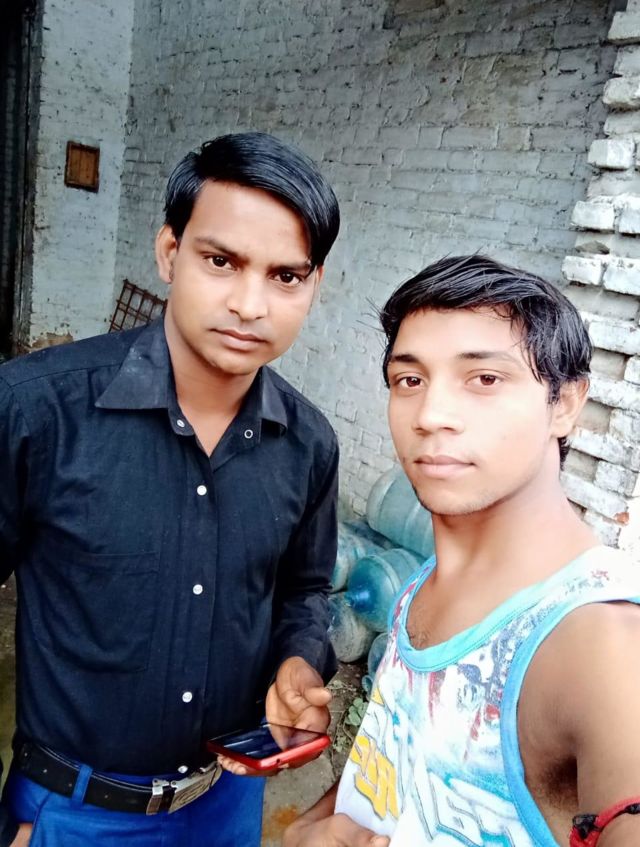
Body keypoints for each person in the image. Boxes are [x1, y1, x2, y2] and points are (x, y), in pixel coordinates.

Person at [0, 131, 341, 847]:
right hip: (72, 814)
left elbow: (304, 589)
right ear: (168, 253)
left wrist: (297, 661)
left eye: (286, 276)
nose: (250, 303)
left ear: (314, 286)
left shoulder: (308, 444)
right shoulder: (36, 411)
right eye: (221, 261)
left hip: (227, 804)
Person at [284, 255, 640, 847]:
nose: (431, 416)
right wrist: (319, 821)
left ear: (565, 403)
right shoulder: (426, 580)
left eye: (484, 379)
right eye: (410, 380)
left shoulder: (603, 650)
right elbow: (400, 754)